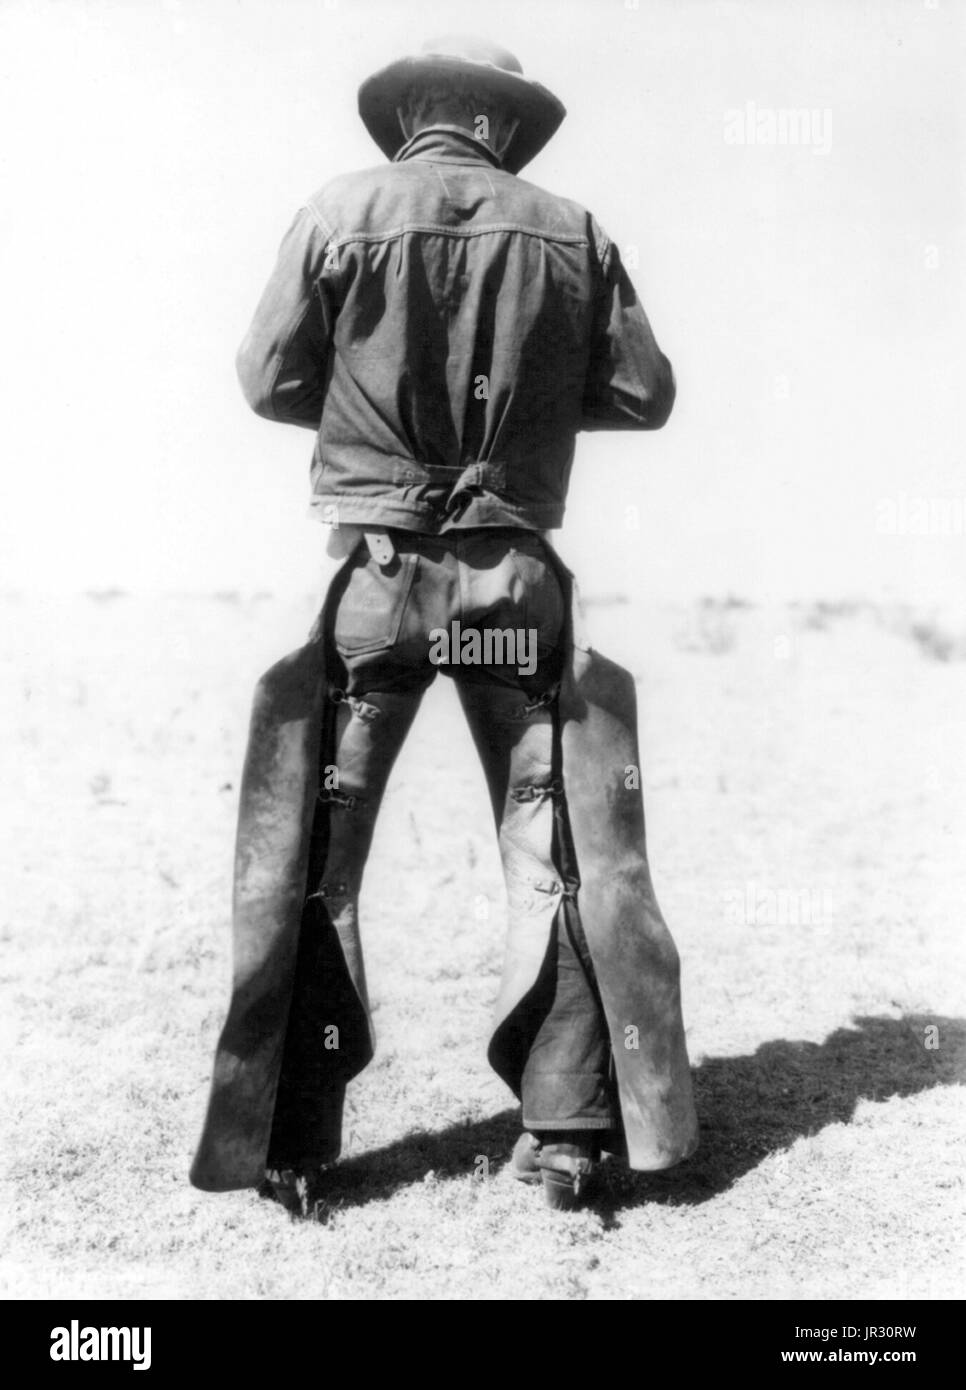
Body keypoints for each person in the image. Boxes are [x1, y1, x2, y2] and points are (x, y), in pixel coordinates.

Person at [190, 34, 698, 1213]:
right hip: (515, 586)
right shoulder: (571, 228)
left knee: (317, 860)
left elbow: (267, 378)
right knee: (557, 853)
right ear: (502, 126)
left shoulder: (338, 207)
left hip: (378, 581)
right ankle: (569, 1138)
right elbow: (644, 392)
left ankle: (292, 1147)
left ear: (413, 112)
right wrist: (523, 411)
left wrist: (377, 411)